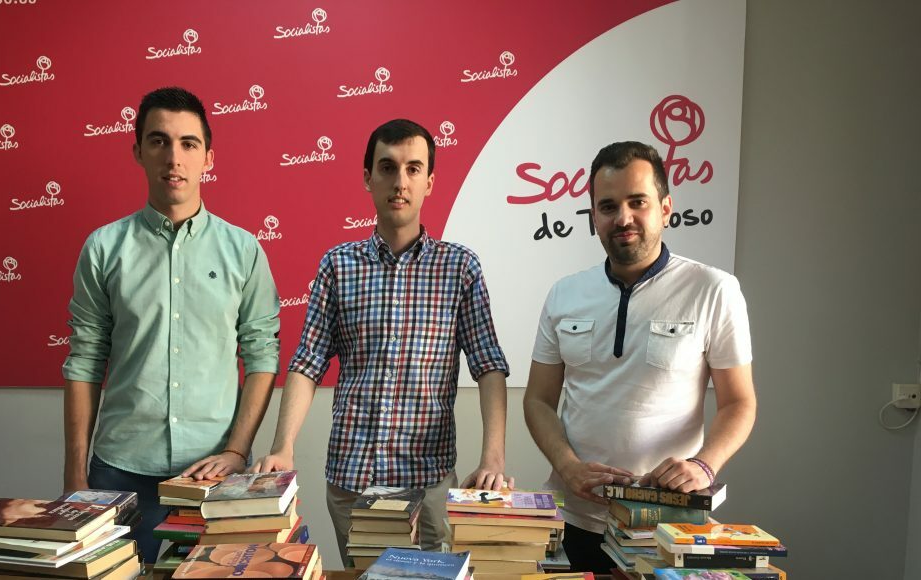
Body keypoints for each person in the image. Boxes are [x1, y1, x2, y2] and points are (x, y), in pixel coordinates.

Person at [252, 119, 512, 563]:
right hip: (352, 479)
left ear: (430, 182)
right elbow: (307, 364)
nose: (400, 182)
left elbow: (488, 366)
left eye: (413, 169)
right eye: (388, 167)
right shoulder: (338, 265)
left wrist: (493, 459)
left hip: (428, 483)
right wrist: (283, 446)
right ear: (368, 178)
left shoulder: (460, 268)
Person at [61, 87, 281, 564]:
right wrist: (75, 475)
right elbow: (84, 360)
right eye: (159, 141)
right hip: (118, 470)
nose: (174, 157)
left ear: (208, 157)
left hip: (213, 474)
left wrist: (238, 450)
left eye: (188, 143)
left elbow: (262, 355)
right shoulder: (103, 248)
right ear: (138, 151)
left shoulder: (244, 250)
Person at [523, 141, 757, 573]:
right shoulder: (564, 293)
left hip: (666, 523)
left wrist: (704, 466)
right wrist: (568, 466)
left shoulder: (714, 290)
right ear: (593, 216)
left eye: (638, 202)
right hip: (575, 518)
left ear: (665, 208)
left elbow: (739, 402)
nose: (623, 218)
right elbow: (538, 399)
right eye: (608, 206)